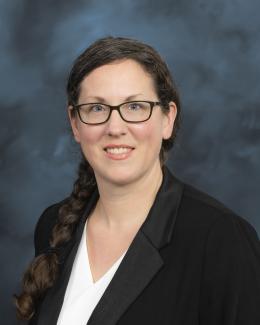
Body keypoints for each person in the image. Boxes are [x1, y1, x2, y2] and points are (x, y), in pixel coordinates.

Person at [15, 36, 260, 325]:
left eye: (135, 107)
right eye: (96, 108)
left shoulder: (221, 239)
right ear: (75, 123)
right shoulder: (52, 225)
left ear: (167, 119)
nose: (115, 127)